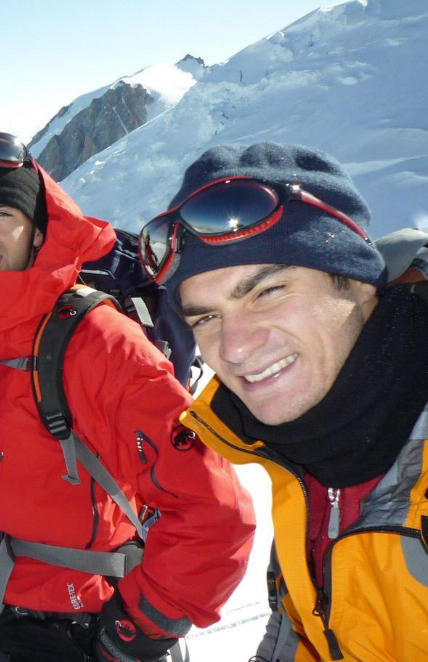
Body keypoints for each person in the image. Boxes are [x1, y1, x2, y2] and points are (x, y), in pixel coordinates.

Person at [0, 132, 255, 662]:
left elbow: (217, 513)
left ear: (37, 229)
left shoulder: (101, 344)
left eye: (1, 213)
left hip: (80, 623)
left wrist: (142, 628)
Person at [138, 141, 428, 661]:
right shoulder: (301, 450)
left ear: (357, 281)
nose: (234, 347)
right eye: (205, 317)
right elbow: (301, 634)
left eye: (267, 292)